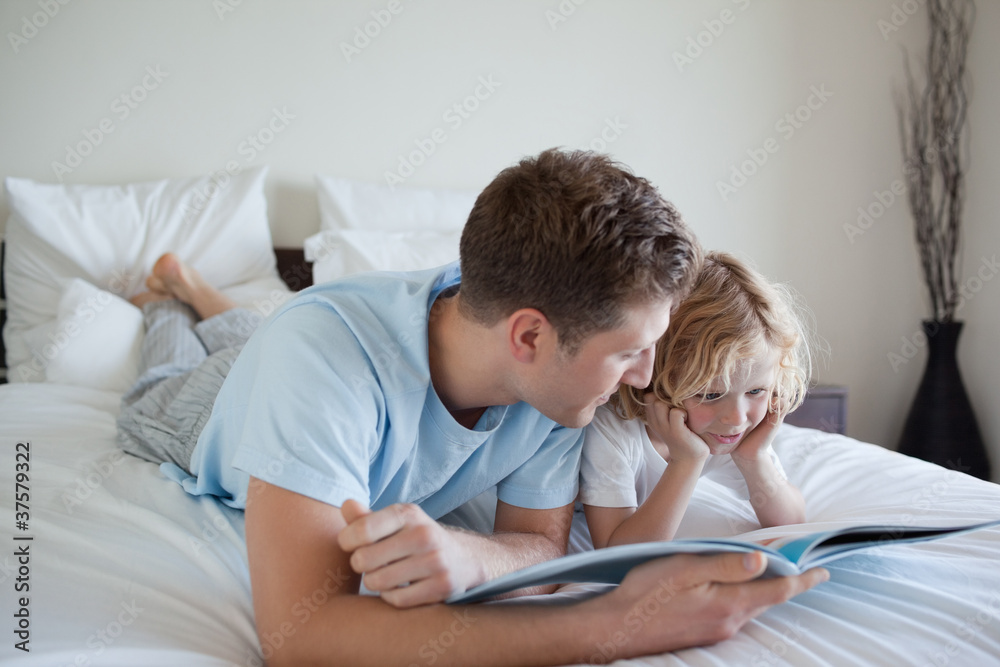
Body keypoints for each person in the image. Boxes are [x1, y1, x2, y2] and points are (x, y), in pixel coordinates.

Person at [117, 149, 827, 666]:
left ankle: (211, 299)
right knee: (174, 369)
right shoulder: (321, 362)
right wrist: (622, 624)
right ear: (529, 335)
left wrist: (469, 553)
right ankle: (163, 301)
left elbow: (541, 545)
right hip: (202, 410)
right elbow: (302, 636)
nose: (648, 378)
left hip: (287, 357)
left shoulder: (561, 384)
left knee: (252, 331)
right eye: (629, 352)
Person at [581, 251, 811, 549]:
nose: (736, 418)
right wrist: (686, 461)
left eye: (755, 392)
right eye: (711, 394)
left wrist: (754, 458)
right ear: (657, 375)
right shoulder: (611, 428)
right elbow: (617, 555)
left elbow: (792, 522)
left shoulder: (729, 432)